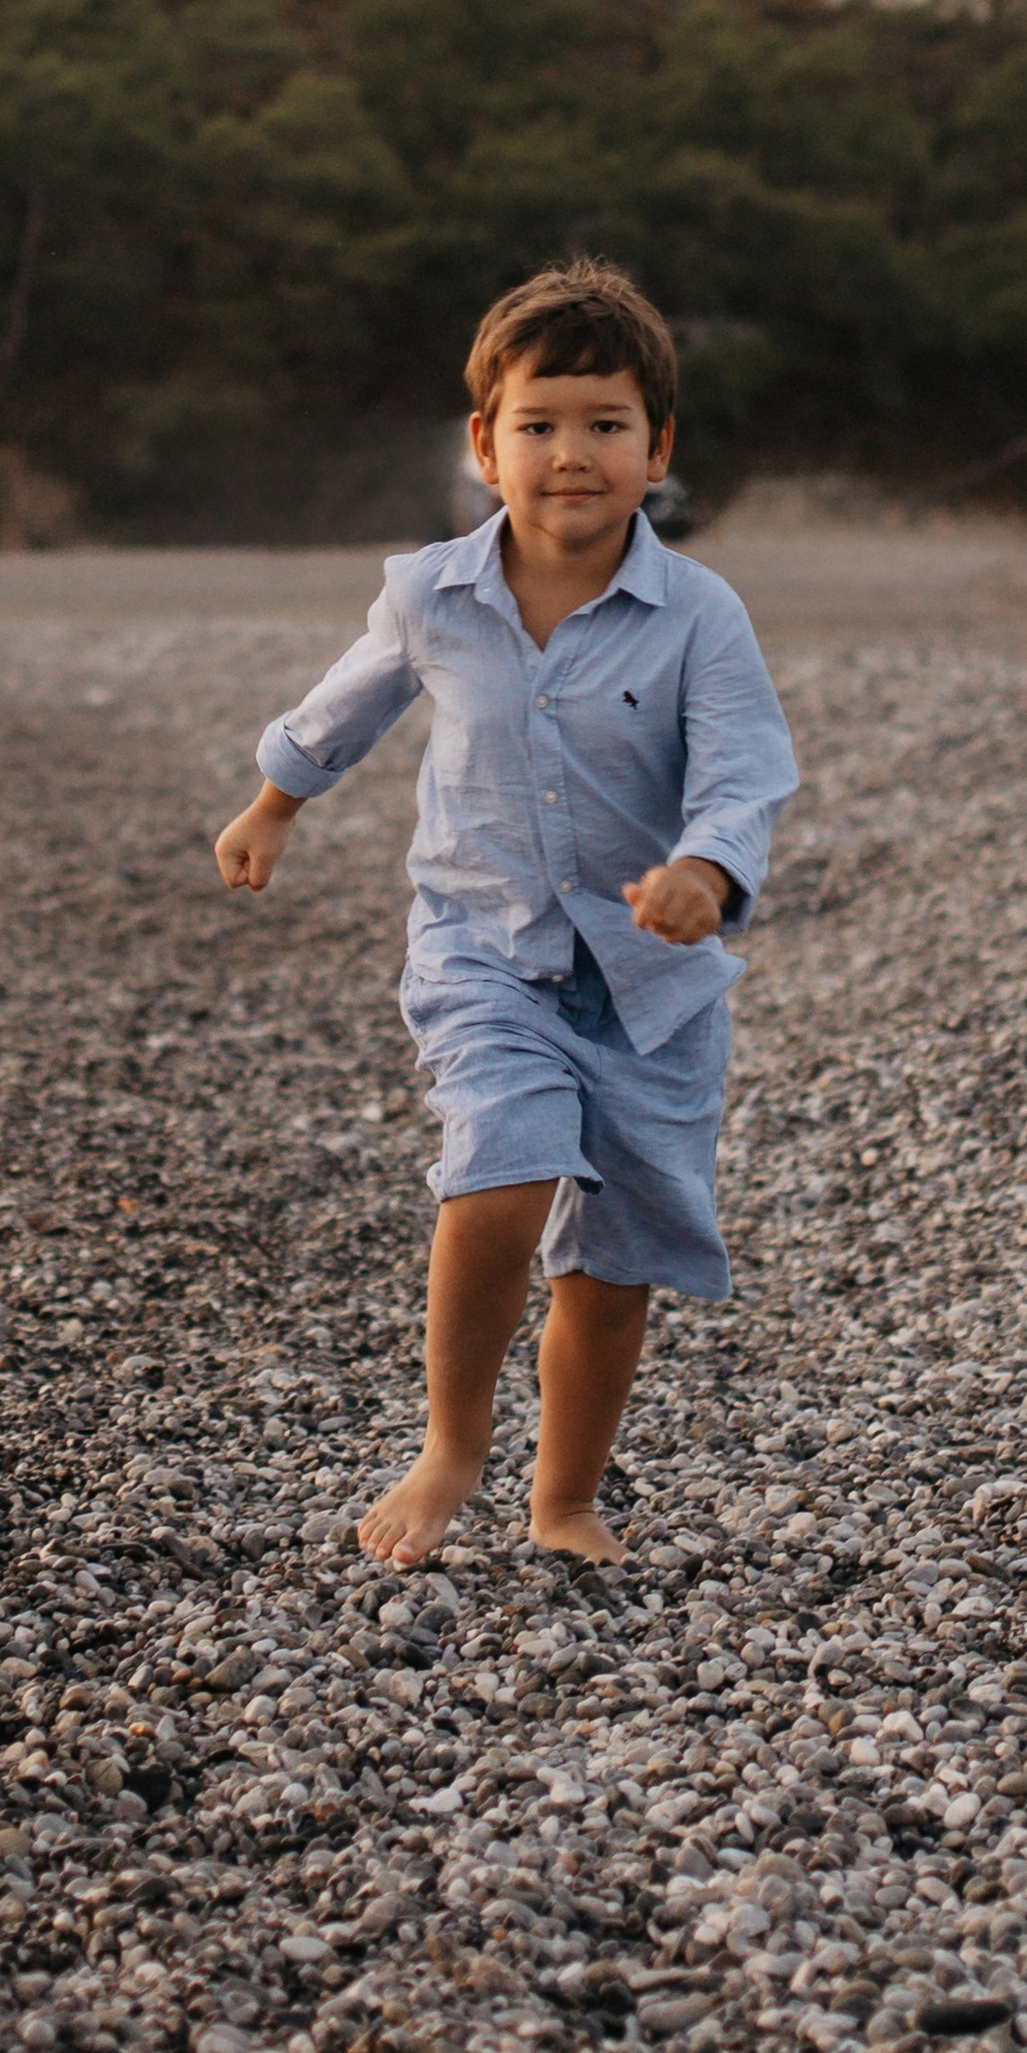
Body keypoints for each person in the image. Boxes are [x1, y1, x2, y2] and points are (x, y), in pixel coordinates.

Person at [212, 259, 796, 1567]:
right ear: (485, 445)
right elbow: (347, 701)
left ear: (660, 450)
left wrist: (706, 869)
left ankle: (565, 1497)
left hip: (651, 988)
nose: (571, 453)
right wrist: (272, 802)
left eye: (606, 424)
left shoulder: (702, 615)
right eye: (539, 424)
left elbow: (745, 764)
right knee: (502, 1167)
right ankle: (454, 1441)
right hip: (483, 955)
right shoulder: (435, 594)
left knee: (613, 1270)